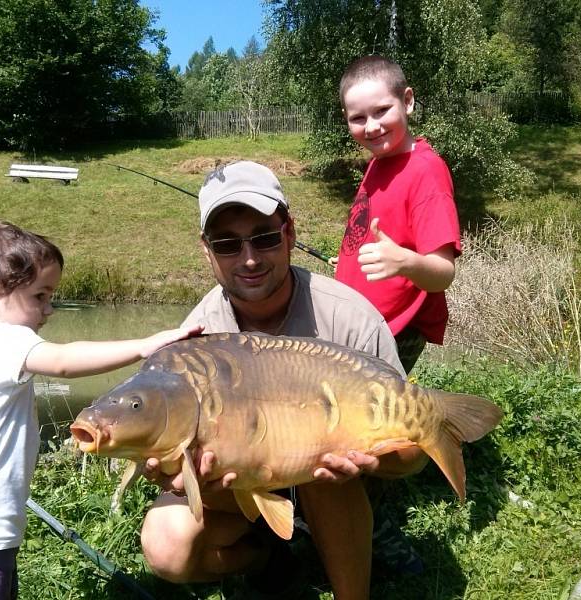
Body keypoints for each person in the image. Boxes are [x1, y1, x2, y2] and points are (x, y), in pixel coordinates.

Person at [140, 161, 428, 600]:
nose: (250, 258)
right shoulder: (199, 335)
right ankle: (269, 558)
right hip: (243, 483)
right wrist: (179, 473)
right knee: (166, 543)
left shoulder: (347, 316)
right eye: (228, 245)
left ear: (289, 234)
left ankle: (357, 570)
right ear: (207, 251)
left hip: (334, 481)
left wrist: (382, 462)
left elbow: (413, 455)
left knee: (322, 466)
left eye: (265, 237)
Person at [0, 221, 199, 600]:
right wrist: (145, 346)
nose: (48, 309)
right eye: (39, 296)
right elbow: (65, 360)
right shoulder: (5, 339)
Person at [333, 55, 462, 375]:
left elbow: (444, 272)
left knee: (373, 420)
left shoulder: (425, 170)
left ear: (407, 101)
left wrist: (403, 262)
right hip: (361, 322)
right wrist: (351, 264)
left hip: (393, 330)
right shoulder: (379, 162)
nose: (372, 126)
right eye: (358, 118)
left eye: (381, 111)